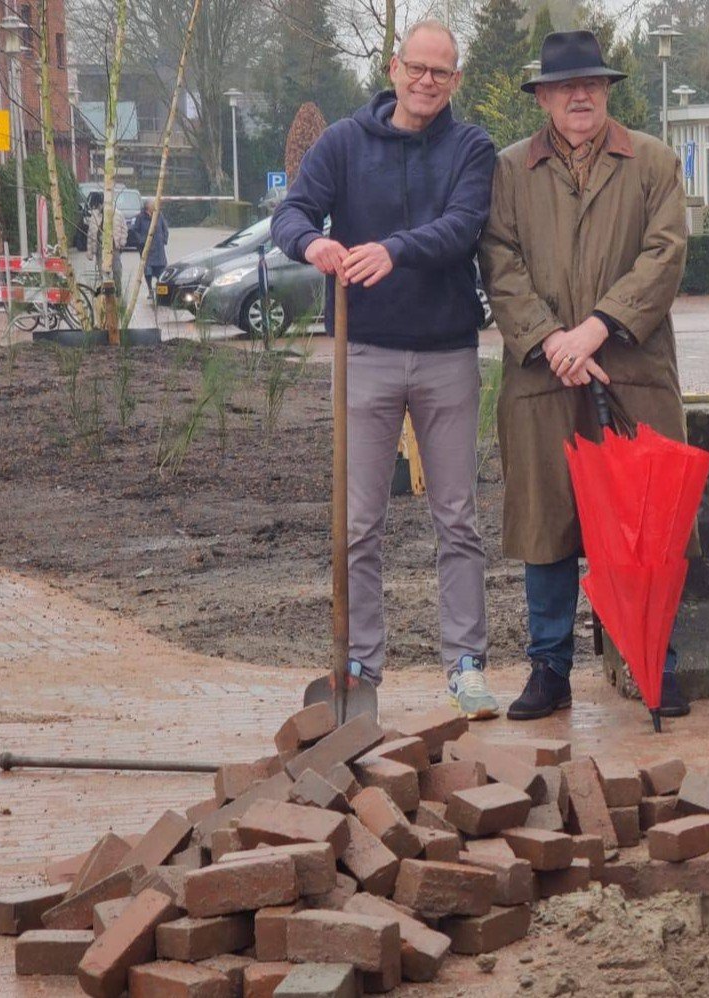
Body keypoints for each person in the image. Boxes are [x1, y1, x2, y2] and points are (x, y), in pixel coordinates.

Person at [271, 19, 500, 722]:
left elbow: (464, 226)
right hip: (363, 355)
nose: (428, 81)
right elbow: (292, 214)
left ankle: (465, 664)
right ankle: (361, 663)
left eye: (442, 71)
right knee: (359, 522)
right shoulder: (344, 143)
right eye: (417, 68)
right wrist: (312, 245)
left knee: (456, 517)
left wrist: (395, 250)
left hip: (447, 355)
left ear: (455, 80)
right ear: (394, 68)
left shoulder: (472, 147)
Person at [479, 29, 691, 722]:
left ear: (606, 92)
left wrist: (597, 327)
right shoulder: (509, 171)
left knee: (643, 524)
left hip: (631, 374)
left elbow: (664, 255)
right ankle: (549, 668)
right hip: (543, 380)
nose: (580, 95)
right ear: (541, 97)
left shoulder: (654, 162)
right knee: (546, 525)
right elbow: (500, 263)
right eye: (566, 86)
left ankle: (651, 657)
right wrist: (550, 341)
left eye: (593, 84)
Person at [129, 200, 169, 300]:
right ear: (147, 207)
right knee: (148, 271)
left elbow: (165, 228)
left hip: (159, 250)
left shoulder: (159, 215)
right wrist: (141, 240)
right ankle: (150, 290)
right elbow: (135, 230)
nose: (155, 206)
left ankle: (160, 292)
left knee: (161, 272)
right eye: (153, 205)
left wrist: (164, 239)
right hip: (147, 250)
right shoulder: (140, 217)